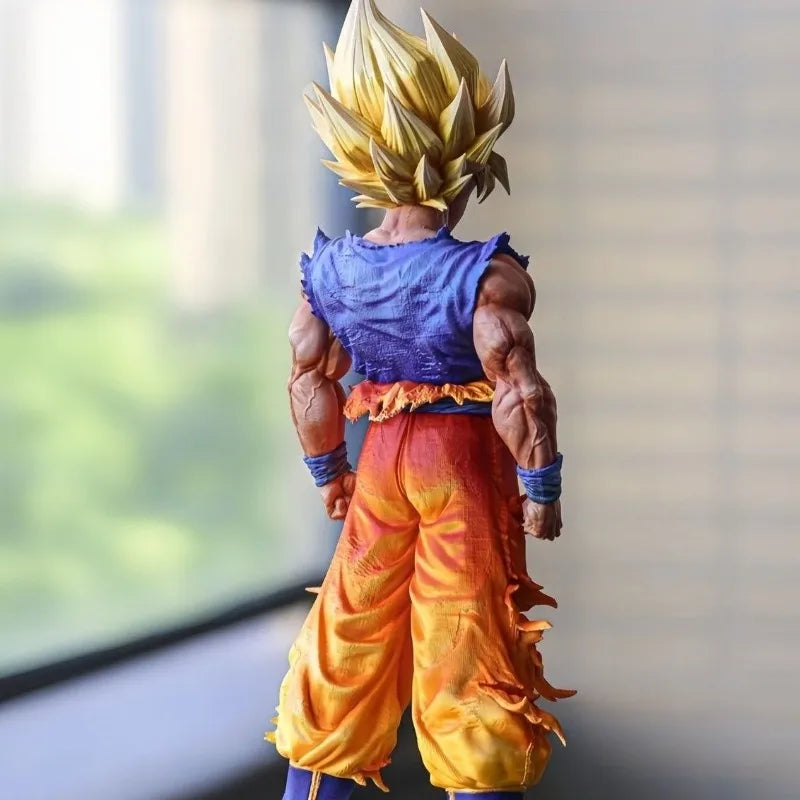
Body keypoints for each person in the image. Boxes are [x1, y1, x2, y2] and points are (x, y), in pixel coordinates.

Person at [266, 2, 574, 797]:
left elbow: (308, 378)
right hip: (461, 465)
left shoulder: (329, 273)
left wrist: (328, 470)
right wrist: (541, 488)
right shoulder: (486, 276)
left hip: (379, 464)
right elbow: (520, 391)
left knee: (348, 636)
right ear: (459, 157)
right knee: (467, 651)